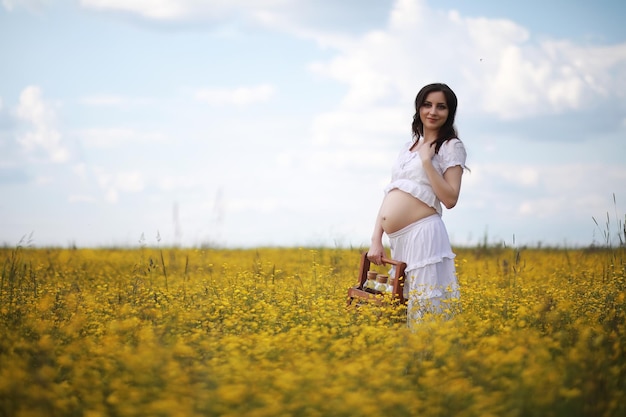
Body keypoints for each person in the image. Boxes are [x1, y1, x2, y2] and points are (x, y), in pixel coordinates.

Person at [367, 82, 467, 325]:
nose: (433, 112)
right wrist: (376, 239)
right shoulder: (407, 147)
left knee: (424, 306)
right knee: (400, 306)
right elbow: (391, 192)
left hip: (424, 234)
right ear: (419, 109)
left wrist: (427, 162)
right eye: (427, 105)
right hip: (398, 240)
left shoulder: (451, 147)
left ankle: (429, 357)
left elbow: (450, 199)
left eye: (441, 107)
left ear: (449, 113)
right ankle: (410, 360)